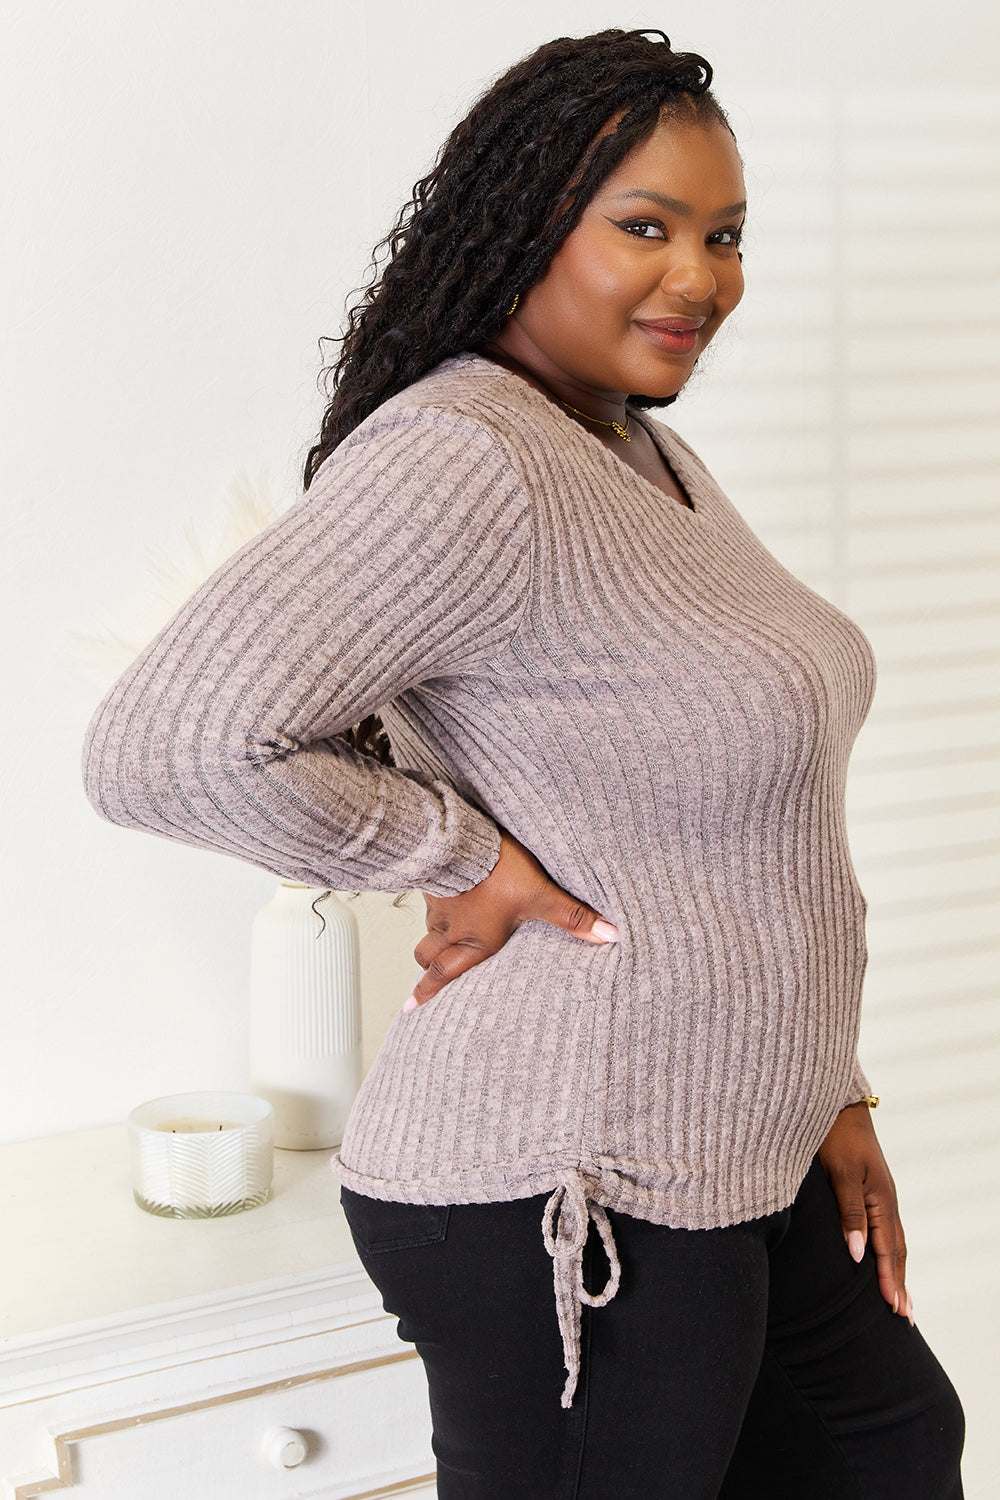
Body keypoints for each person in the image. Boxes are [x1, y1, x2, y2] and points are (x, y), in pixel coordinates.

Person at [81, 26, 966, 1498]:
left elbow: (744, 840)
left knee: (889, 1441)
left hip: (742, 1143)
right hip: (570, 1178)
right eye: (646, 226)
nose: (701, 277)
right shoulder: (466, 455)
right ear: (524, 221)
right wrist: (461, 857)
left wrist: (836, 1088)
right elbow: (166, 747)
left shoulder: (637, 456)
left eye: (725, 234)